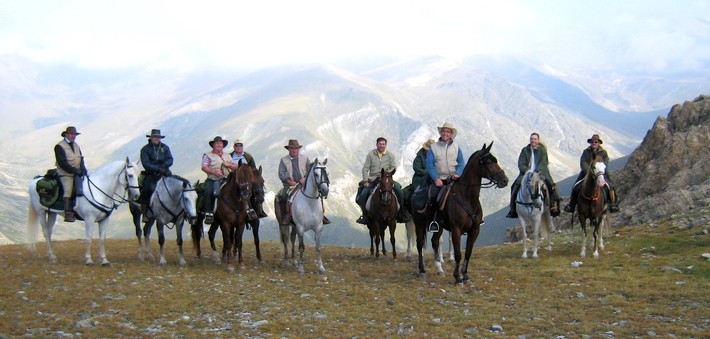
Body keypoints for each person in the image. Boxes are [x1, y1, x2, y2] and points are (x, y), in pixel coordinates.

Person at [355, 137, 410, 224]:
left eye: (383, 144)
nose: (381, 146)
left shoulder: (390, 155)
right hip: (373, 179)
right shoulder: (371, 155)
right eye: (380, 144)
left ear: (385, 145)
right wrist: (365, 181)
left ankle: (401, 214)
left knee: (399, 191)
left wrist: (387, 174)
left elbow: (393, 167)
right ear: (377, 144)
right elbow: (365, 169)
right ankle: (365, 216)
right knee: (363, 195)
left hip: (386, 178)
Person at [506, 132, 561, 218]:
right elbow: (521, 163)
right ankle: (513, 209)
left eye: (535, 139)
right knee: (514, 186)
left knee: (550, 186)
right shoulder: (525, 150)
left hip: (540, 173)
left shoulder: (542, 151)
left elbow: (544, 162)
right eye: (531, 139)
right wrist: (528, 172)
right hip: (526, 174)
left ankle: (552, 205)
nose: (533, 140)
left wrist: (536, 171)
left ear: (538, 140)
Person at [277, 139, 331, 225]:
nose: (294, 150)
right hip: (290, 185)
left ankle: (321, 215)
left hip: (304, 184)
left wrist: (305, 178)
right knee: (283, 196)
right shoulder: (283, 160)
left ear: (298, 149)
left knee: (317, 194)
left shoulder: (304, 158)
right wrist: (289, 181)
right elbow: (281, 173)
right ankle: (286, 216)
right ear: (289, 149)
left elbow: (311, 170)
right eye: (292, 148)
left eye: (296, 148)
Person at [564, 134, 620, 213]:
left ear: (599, 143)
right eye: (592, 142)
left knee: (610, 186)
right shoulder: (586, 152)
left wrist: (599, 171)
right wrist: (589, 172)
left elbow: (605, 163)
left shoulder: (603, 153)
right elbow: (583, 162)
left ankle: (613, 204)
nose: (594, 143)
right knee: (576, 186)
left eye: (595, 142)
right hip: (586, 173)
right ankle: (571, 205)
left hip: (600, 173)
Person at [139, 129, 174, 222]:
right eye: (154, 137)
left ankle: (175, 210)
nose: (156, 138)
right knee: (147, 189)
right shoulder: (145, 149)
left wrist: (164, 166)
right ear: (151, 138)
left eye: (158, 137)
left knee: (174, 187)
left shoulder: (165, 147)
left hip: (164, 171)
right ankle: (145, 212)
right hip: (151, 173)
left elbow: (170, 159)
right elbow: (146, 163)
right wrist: (157, 168)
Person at [201, 136, 238, 224]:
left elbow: (235, 166)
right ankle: (209, 213)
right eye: (217, 143)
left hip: (228, 179)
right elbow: (204, 167)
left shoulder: (227, 155)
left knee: (242, 189)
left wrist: (228, 165)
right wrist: (213, 171)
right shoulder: (207, 155)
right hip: (213, 179)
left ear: (223, 145)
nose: (219, 145)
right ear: (213, 145)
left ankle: (247, 210)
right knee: (208, 191)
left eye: (220, 143)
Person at [425, 122, 465, 204]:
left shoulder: (456, 147)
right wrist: (436, 178)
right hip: (440, 179)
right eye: (443, 131)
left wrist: (458, 173)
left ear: (451, 134)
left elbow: (461, 162)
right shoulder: (433, 147)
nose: (445, 133)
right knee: (432, 197)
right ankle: (432, 216)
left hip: (454, 179)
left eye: (447, 131)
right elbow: (430, 165)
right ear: (440, 133)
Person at [54, 126, 86, 222]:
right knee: (68, 190)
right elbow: (62, 163)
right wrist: (75, 171)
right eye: (71, 134)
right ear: (66, 134)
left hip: (77, 173)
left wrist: (83, 169)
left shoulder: (76, 145)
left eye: (74, 134)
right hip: (65, 174)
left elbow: (81, 158)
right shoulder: (59, 146)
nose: (73, 136)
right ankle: (68, 213)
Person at [229, 139, 267, 218]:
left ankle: (259, 210)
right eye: (237, 145)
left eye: (240, 145)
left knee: (258, 189)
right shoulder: (229, 156)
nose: (239, 147)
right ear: (234, 147)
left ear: (242, 146)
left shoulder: (248, 156)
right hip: (234, 178)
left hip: (247, 179)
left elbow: (253, 168)